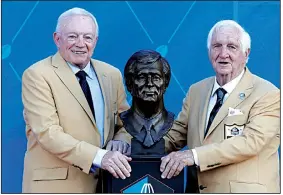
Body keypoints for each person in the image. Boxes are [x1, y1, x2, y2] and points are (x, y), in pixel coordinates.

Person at [160, 20, 280, 193]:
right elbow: (176, 133)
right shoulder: (197, 91)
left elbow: (250, 142)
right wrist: (134, 146)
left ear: (246, 54)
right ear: (209, 52)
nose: (223, 54)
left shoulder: (268, 93)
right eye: (217, 46)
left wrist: (193, 156)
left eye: (232, 47)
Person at [21, 7, 132, 193]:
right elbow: (48, 133)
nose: (81, 44)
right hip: (55, 187)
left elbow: (125, 123)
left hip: (106, 186)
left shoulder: (111, 74)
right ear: (57, 39)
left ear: (95, 41)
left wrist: (122, 139)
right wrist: (100, 156)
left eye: (87, 37)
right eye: (73, 36)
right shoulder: (37, 75)